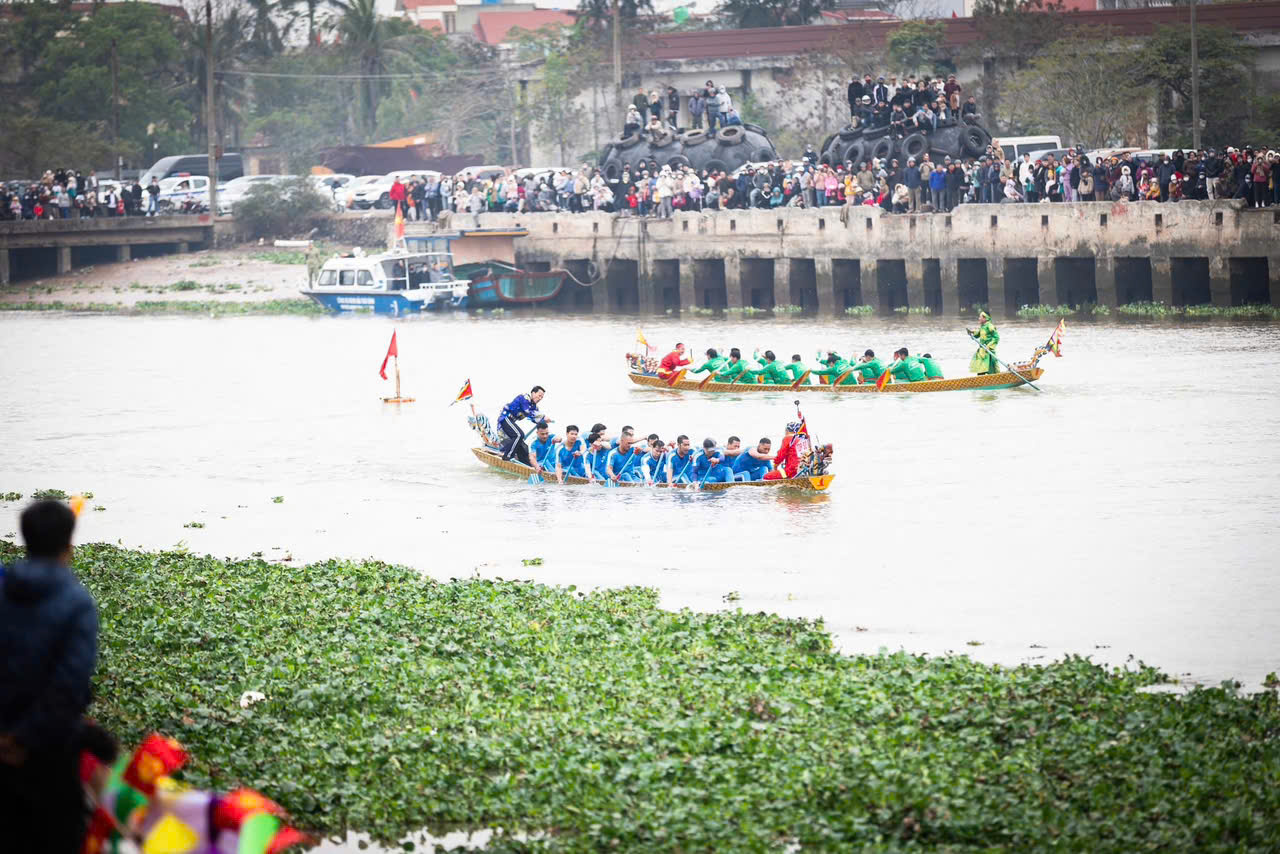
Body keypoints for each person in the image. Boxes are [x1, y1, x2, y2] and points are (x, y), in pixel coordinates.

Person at [1, 500, 99, 854]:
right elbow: (68, 687)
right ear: (69, 544)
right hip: (48, 750)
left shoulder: (3, 588)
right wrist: (25, 738)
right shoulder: (76, 603)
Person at [497, 386, 548, 465]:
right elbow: (527, 411)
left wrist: (544, 422)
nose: (540, 398)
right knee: (519, 435)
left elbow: (535, 419)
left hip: (511, 422)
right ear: (533, 393)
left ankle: (527, 465)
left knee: (524, 448)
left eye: (542, 397)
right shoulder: (524, 398)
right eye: (539, 395)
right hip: (505, 418)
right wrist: (543, 417)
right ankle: (506, 456)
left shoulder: (534, 407)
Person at [968, 311, 1000, 375]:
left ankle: (995, 379)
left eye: (980, 317)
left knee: (991, 369)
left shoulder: (990, 326)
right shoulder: (982, 326)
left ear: (985, 318)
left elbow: (996, 338)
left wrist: (988, 346)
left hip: (988, 351)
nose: (979, 318)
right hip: (982, 351)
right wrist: (972, 332)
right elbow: (978, 334)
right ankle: (981, 381)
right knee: (980, 369)